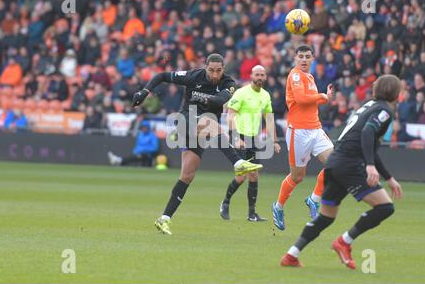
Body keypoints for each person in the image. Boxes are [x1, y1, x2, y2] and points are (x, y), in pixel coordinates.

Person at [280, 74, 403, 269]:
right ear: (396, 93)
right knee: (385, 207)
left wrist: (389, 178)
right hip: (349, 164)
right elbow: (367, 134)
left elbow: (369, 144)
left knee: (326, 216)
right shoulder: (385, 110)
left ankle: (291, 255)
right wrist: (370, 166)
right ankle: (344, 242)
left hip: (334, 163)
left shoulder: (368, 106)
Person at [131, 53, 263, 235]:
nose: (215, 75)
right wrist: (145, 91)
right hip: (186, 120)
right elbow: (162, 76)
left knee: (187, 175)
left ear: (223, 69)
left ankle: (164, 219)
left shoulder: (229, 84)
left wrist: (204, 98)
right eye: (211, 70)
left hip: (201, 130)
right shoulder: (193, 76)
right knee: (213, 124)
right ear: (205, 67)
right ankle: (238, 163)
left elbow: (219, 100)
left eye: (218, 71)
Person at [272, 44, 335, 230]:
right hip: (298, 132)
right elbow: (300, 99)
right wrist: (323, 96)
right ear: (295, 58)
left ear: (312, 58)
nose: (304, 59)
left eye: (308, 56)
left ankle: (314, 199)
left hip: (315, 129)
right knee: (297, 176)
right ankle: (278, 206)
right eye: (301, 56)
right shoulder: (295, 75)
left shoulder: (309, 77)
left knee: (336, 165)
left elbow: (309, 102)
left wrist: (323, 97)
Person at [219, 65, 281, 222]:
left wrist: (274, 140)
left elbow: (269, 118)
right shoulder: (241, 93)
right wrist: (235, 137)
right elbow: (230, 115)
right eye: (257, 74)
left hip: (254, 138)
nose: (260, 77)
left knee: (254, 175)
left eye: (262, 75)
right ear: (251, 76)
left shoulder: (266, 96)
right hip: (240, 136)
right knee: (241, 177)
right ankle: (225, 203)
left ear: (265, 77)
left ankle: (252, 214)